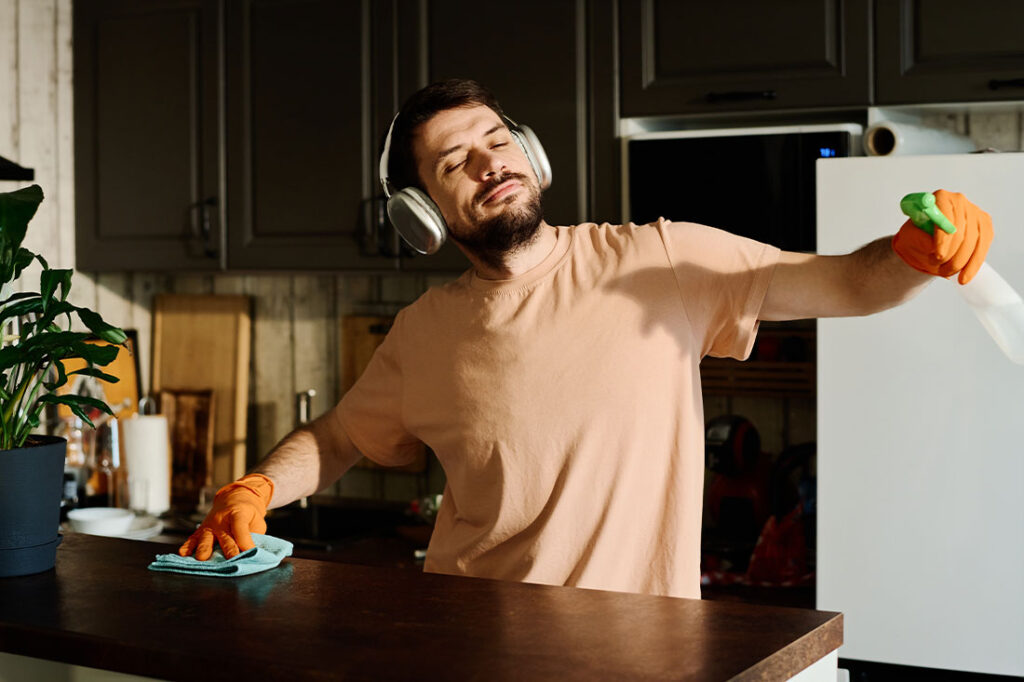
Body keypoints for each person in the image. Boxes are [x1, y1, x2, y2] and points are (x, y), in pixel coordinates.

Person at [178, 79, 992, 600]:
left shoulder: (659, 258)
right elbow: (338, 437)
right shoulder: (422, 332)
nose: (489, 163)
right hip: (468, 649)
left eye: (496, 140)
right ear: (421, 217)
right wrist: (255, 488)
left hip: (643, 654)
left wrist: (913, 254)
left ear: (528, 153)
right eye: (455, 163)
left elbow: (849, 282)